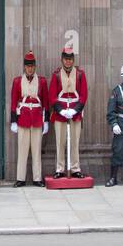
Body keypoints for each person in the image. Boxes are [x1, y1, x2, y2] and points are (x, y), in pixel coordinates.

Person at [9, 51, 49, 187]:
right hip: (23, 119)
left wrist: (46, 121)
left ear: (35, 66)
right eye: (27, 66)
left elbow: (46, 102)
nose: (30, 68)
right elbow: (14, 101)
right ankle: (20, 178)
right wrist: (13, 121)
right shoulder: (17, 81)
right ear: (24, 67)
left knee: (37, 150)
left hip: (37, 119)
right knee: (22, 150)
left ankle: (37, 178)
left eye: (32, 66)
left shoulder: (42, 81)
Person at [48, 46, 88, 179]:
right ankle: (60, 169)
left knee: (75, 142)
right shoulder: (56, 75)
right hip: (61, 114)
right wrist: (61, 110)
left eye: (70, 59)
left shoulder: (80, 74)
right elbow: (52, 96)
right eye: (66, 59)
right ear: (62, 60)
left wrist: (75, 110)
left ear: (73, 60)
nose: (68, 62)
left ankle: (75, 168)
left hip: (75, 113)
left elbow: (83, 95)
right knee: (60, 142)